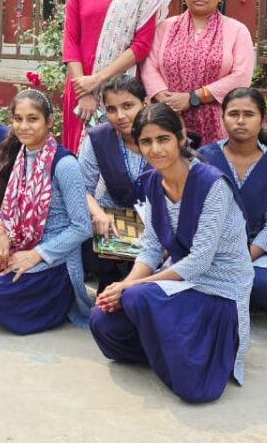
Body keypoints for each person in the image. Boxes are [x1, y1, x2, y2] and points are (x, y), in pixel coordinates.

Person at [89, 103, 253, 403]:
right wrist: (125, 285)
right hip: (180, 284)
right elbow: (152, 247)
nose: (155, 149)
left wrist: (134, 286)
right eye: (146, 141)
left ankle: (191, 355)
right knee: (103, 317)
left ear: (180, 138)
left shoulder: (212, 184)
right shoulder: (152, 183)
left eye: (163, 139)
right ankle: (171, 350)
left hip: (219, 290)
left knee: (137, 297)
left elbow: (200, 260)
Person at [0, 89, 92, 335]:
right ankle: (0, 284)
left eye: (33, 119)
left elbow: (82, 227)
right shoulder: (15, 155)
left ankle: (50, 306)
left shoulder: (64, 164)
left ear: (49, 122)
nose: (24, 126)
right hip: (15, 243)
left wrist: (36, 255)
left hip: (52, 260)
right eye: (18, 119)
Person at [61, 0, 172, 152]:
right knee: (81, 154)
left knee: (123, 151)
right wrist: (84, 91)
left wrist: (98, 79)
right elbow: (70, 43)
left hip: (125, 89)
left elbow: (141, 46)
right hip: (81, 86)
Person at [198, 88, 267, 311]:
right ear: (223, 117)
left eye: (249, 114)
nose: (241, 121)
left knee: (265, 285)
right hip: (207, 248)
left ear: (262, 119)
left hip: (253, 251)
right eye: (233, 114)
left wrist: (240, 259)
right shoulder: (203, 158)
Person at [141, 0, 254, 146]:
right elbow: (149, 67)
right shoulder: (164, 27)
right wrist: (166, 100)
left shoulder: (237, 31)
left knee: (212, 163)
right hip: (166, 119)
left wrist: (193, 98)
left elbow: (241, 76)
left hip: (218, 122)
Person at [79, 74, 149, 293]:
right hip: (113, 219)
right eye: (111, 109)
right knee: (78, 227)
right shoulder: (98, 138)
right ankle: (108, 279)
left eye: (128, 106)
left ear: (145, 103)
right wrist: (97, 213)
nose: (120, 116)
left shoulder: (163, 134)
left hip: (157, 221)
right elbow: (82, 188)